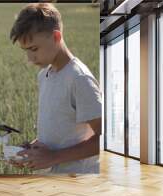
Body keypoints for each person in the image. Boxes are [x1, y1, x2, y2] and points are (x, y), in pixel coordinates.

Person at [9, 3, 102, 174]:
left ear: (56, 37)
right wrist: (33, 150)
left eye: (34, 49)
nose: (30, 58)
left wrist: (53, 157)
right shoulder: (45, 75)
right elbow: (60, 129)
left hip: (77, 182)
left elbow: (106, 140)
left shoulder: (79, 79)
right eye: (25, 50)